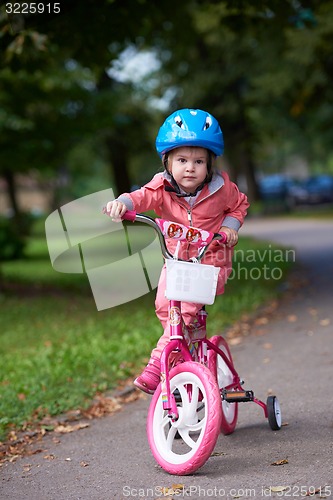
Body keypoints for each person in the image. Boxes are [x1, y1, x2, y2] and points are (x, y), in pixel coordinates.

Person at [105, 108, 249, 394]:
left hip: (211, 261)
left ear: (210, 165)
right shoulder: (161, 187)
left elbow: (240, 204)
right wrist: (122, 203)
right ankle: (182, 344)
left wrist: (231, 227)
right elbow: (138, 197)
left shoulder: (222, 188)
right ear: (167, 162)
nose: (190, 168)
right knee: (165, 307)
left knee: (185, 311)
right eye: (182, 160)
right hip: (177, 261)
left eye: (198, 161)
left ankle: (157, 364)